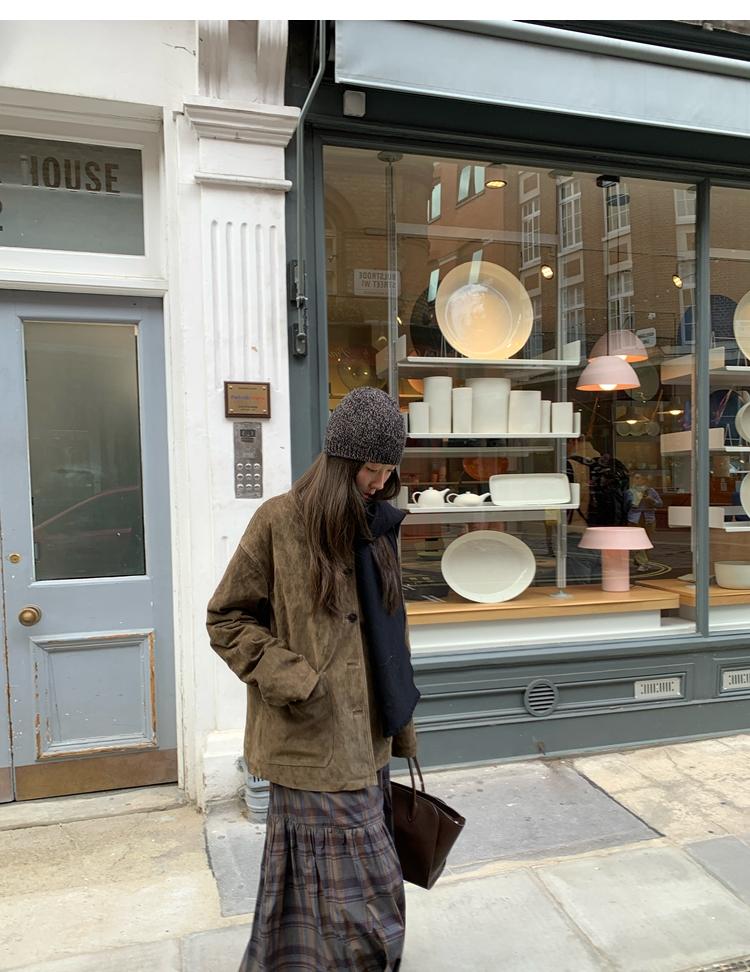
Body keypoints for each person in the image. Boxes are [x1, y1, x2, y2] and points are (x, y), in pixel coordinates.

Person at [206, 386, 420, 972]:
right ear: (340, 462)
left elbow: (387, 630)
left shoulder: (378, 526)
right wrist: (294, 678)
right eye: (371, 469)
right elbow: (226, 617)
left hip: (368, 736)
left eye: (388, 471)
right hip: (309, 736)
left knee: (351, 885)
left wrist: (399, 715)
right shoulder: (279, 521)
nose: (380, 482)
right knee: (359, 892)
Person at [625, 471, 663, 570]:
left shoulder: (651, 491)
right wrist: (633, 503)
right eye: (634, 478)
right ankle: (643, 562)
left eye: (638, 478)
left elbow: (660, 504)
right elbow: (625, 505)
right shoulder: (630, 492)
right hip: (634, 518)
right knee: (637, 540)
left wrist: (651, 500)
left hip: (648, 518)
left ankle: (639, 560)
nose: (636, 480)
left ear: (644, 480)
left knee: (647, 541)